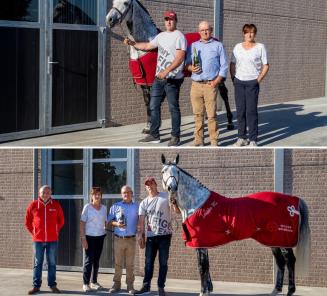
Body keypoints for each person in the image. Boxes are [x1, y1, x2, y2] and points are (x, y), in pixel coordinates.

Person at [124, 10, 187, 146]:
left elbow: (180, 57)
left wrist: (167, 71)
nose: (169, 22)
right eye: (166, 19)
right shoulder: (161, 36)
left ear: (176, 21)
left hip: (172, 79)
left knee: (173, 108)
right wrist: (132, 43)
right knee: (153, 106)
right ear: (164, 21)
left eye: (171, 19)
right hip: (158, 78)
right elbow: (147, 46)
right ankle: (154, 135)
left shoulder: (179, 36)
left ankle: (175, 136)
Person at [135, 177, 180, 296]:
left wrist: (175, 203)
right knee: (148, 262)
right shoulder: (144, 202)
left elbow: (177, 211)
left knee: (163, 262)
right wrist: (140, 235)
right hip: (151, 236)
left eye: (151, 183)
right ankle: (146, 286)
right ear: (146, 187)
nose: (149, 186)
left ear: (155, 185)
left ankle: (161, 287)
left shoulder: (165, 196)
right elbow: (141, 221)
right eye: (147, 185)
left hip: (165, 235)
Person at [185, 21, 228, 146]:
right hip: (196, 85)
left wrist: (216, 82)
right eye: (202, 30)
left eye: (207, 29)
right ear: (199, 32)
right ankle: (199, 140)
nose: (205, 32)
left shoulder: (218, 45)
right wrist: (190, 68)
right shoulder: (193, 46)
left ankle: (214, 140)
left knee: (211, 115)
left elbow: (224, 66)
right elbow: (186, 64)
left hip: (210, 85)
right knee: (198, 115)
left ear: (211, 30)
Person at [230, 23, 269, 147]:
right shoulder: (237, 47)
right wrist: (233, 78)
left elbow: (266, 65)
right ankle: (241, 137)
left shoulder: (260, 47)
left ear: (255, 34)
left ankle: (253, 139)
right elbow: (232, 63)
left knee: (251, 112)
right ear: (243, 33)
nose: (249, 34)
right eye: (247, 32)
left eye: (252, 32)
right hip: (239, 83)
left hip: (252, 82)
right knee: (240, 111)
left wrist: (258, 80)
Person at [24, 185, 65, 295]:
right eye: (43, 192)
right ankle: (36, 286)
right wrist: (34, 233)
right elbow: (27, 221)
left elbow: (61, 220)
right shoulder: (33, 205)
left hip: (52, 240)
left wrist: (56, 230)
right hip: (38, 240)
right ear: (39, 193)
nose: (45, 194)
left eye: (48, 192)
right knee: (38, 263)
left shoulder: (56, 205)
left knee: (52, 263)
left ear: (50, 193)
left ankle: (52, 285)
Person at [108, 185, 139, 294]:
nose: (126, 194)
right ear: (121, 194)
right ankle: (116, 284)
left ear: (132, 194)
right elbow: (109, 221)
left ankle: (130, 286)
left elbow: (141, 222)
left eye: (128, 192)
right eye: (124, 192)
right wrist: (117, 223)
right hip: (118, 239)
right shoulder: (115, 206)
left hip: (131, 239)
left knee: (130, 265)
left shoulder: (137, 207)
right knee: (118, 263)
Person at [80, 187, 107, 292]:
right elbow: (82, 223)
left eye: (99, 194)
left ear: (101, 196)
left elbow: (105, 221)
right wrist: (83, 238)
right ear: (92, 196)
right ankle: (85, 283)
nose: (97, 196)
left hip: (100, 237)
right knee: (88, 260)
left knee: (96, 261)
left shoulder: (104, 208)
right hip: (89, 237)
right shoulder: (87, 207)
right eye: (95, 194)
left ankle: (94, 281)